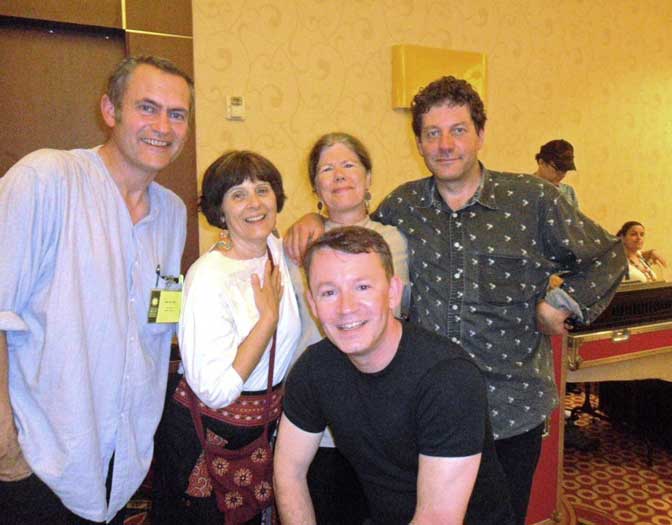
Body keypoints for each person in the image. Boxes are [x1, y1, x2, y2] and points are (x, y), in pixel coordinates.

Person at [284, 76, 626, 524]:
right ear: (420, 144)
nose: (446, 144)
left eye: (458, 129)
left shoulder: (532, 199)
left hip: (508, 409)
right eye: (432, 133)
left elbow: (609, 255)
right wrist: (311, 216)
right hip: (421, 415)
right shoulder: (403, 207)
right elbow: (355, 234)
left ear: (480, 134)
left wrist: (559, 305)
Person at [0, 55, 192, 524]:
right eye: (148, 108)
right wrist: (6, 449)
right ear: (110, 110)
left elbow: (155, 320)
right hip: (36, 463)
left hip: (120, 465)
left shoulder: (172, 213)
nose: (163, 126)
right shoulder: (47, 179)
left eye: (177, 114)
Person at [275, 226, 514, 525]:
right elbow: (289, 473)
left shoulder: (448, 379)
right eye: (329, 292)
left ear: (393, 292)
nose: (346, 307)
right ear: (313, 305)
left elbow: (437, 518)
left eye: (362, 287)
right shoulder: (314, 369)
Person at [151, 151, 301, 524]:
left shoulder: (278, 252)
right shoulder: (208, 277)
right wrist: (267, 319)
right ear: (220, 211)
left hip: (262, 429)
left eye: (262, 190)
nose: (254, 203)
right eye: (238, 194)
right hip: (209, 439)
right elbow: (216, 391)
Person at [287, 132, 409, 523]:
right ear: (316, 186)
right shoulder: (298, 244)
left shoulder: (391, 241)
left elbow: (393, 315)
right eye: (327, 169)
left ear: (369, 178)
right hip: (314, 407)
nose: (338, 175)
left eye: (348, 165)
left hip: (375, 409)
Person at [534, 139, 579, 208]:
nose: (561, 175)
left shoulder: (568, 192)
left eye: (565, 170)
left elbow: (575, 218)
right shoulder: (525, 189)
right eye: (557, 169)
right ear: (541, 162)